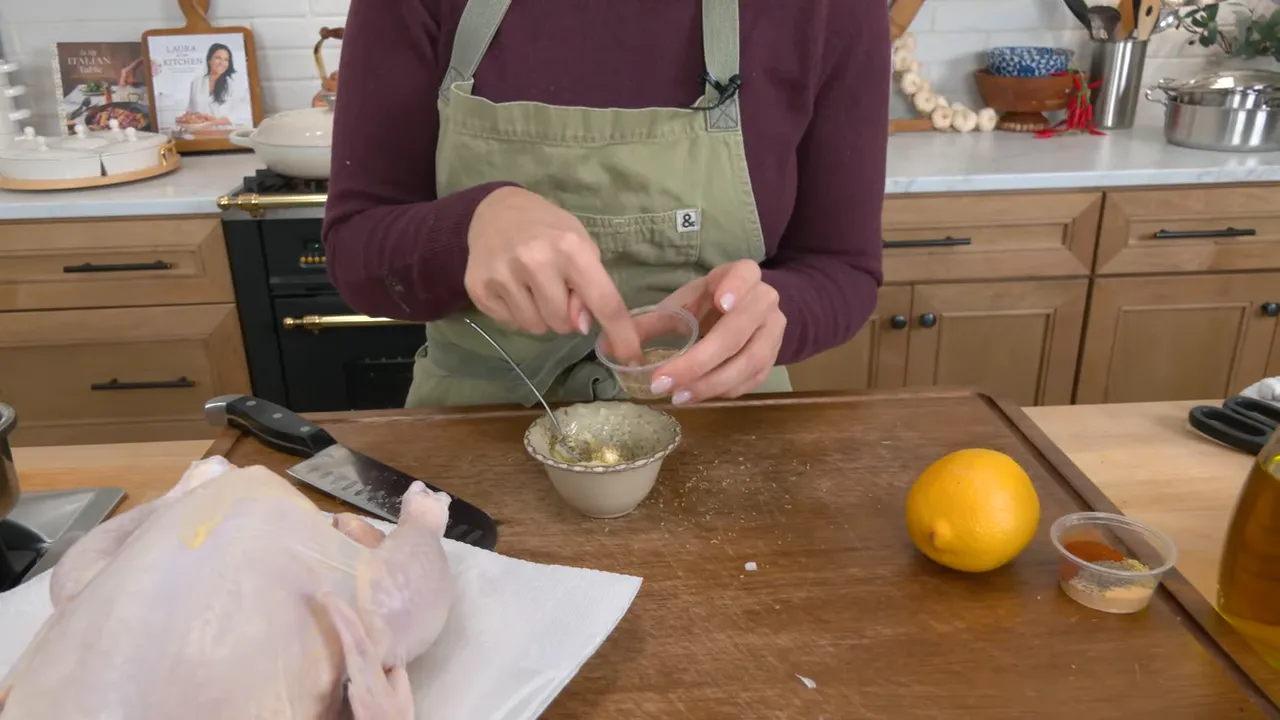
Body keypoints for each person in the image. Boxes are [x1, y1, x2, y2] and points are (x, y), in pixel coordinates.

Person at [323, 0, 888, 409]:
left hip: (722, 427)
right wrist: (470, 226)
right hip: (475, 433)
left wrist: (774, 313)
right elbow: (356, 247)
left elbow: (841, 267)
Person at [182, 43, 244, 127]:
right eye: (218, 58)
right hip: (198, 134)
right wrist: (187, 117)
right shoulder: (196, 82)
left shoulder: (233, 85)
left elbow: (237, 116)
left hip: (223, 135)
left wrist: (211, 122)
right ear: (209, 60)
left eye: (226, 59)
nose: (222, 63)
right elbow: (190, 109)